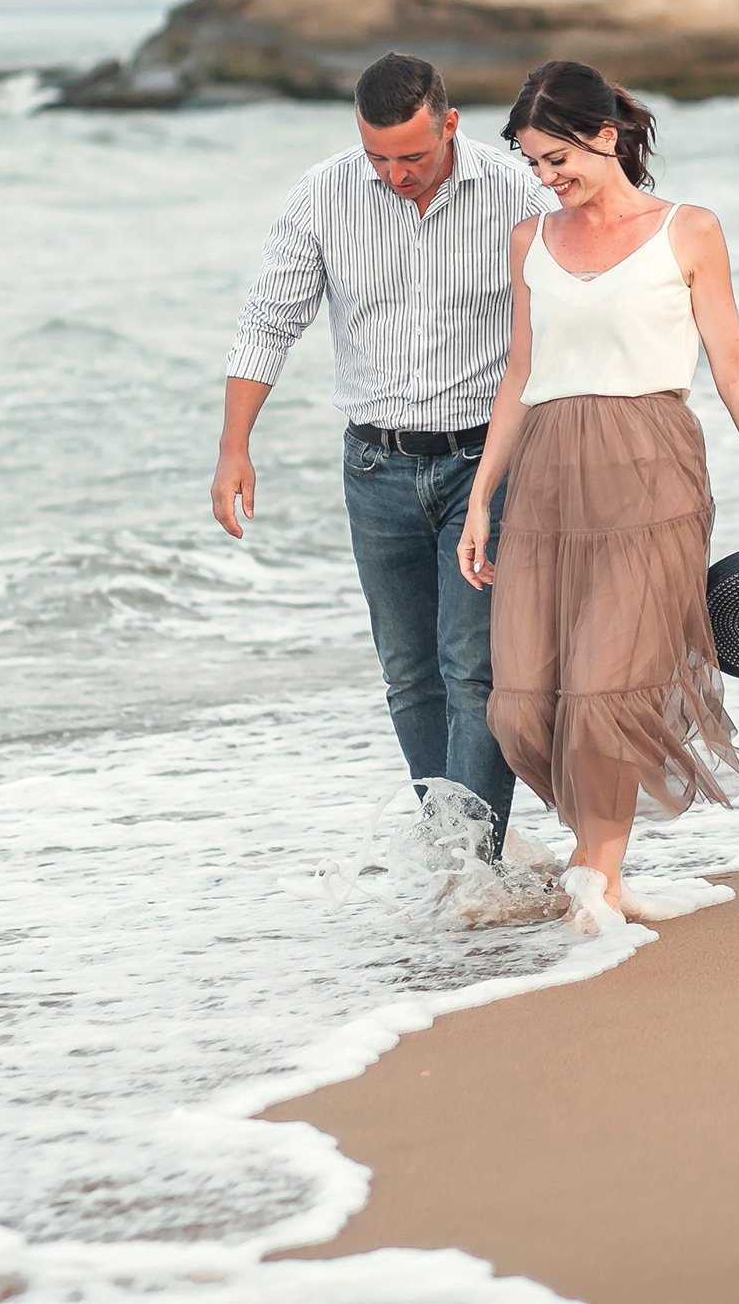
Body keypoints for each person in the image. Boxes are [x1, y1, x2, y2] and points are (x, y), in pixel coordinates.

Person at [456, 60, 739, 932]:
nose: (545, 178)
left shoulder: (688, 230)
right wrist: (480, 497)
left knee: (609, 689)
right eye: (533, 163)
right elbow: (521, 371)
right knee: (523, 702)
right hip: (544, 476)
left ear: (606, 137)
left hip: (652, 468)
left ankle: (596, 879)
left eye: (556, 158)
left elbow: (731, 362)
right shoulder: (530, 242)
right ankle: (600, 869)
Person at [214, 52, 555, 854]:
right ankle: (453, 851)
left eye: (412, 155)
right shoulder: (324, 194)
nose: (395, 174)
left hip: (487, 466)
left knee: (474, 670)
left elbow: (570, 316)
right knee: (410, 673)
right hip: (375, 469)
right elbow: (269, 320)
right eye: (378, 156)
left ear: (450, 125)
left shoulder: (520, 195)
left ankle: (474, 862)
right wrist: (235, 446)